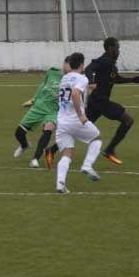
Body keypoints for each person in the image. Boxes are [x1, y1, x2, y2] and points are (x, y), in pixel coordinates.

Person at [84, 37, 139, 165]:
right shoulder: (104, 60)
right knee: (128, 119)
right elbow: (89, 69)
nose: (118, 50)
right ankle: (109, 149)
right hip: (101, 101)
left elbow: (115, 79)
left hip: (96, 102)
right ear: (110, 48)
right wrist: (92, 81)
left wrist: (132, 80)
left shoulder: (110, 62)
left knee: (80, 127)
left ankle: (52, 149)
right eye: (117, 47)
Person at [53, 52, 103, 194]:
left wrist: (87, 91)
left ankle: (60, 184)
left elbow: (72, 94)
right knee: (97, 138)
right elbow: (75, 93)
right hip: (75, 120)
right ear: (82, 65)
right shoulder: (82, 78)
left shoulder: (64, 78)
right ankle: (87, 165)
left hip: (62, 122)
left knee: (67, 154)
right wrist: (81, 115)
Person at [13, 58, 69, 168]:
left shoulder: (71, 80)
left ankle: (35, 159)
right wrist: (33, 100)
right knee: (19, 133)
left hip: (53, 111)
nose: (69, 67)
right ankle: (24, 146)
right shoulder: (52, 72)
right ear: (64, 64)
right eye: (67, 64)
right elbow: (42, 85)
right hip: (39, 107)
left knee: (48, 129)